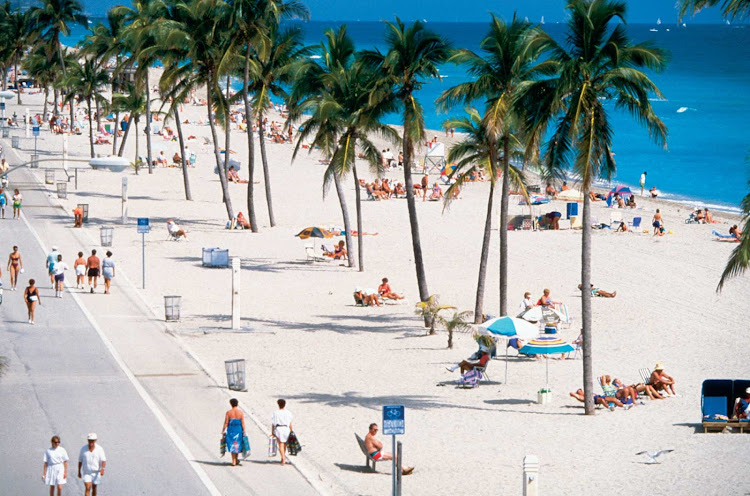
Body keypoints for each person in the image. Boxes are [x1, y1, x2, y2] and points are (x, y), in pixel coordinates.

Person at [222, 398, 246, 466]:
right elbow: (242, 423)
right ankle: (236, 458)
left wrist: (223, 430)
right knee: (237, 444)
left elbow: (226, 422)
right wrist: (244, 431)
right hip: (238, 429)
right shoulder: (240, 412)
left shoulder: (229, 412)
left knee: (232, 444)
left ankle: (233, 460)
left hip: (231, 429)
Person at [271, 399, 293, 466]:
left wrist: (272, 432)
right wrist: (291, 431)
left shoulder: (275, 413)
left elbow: (273, 423)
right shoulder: (288, 413)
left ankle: (283, 458)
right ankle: (283, 457)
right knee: (285, 444)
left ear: (278, 404)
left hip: (279, 428)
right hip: (286, 428)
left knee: (280, 444)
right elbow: (290, 423)